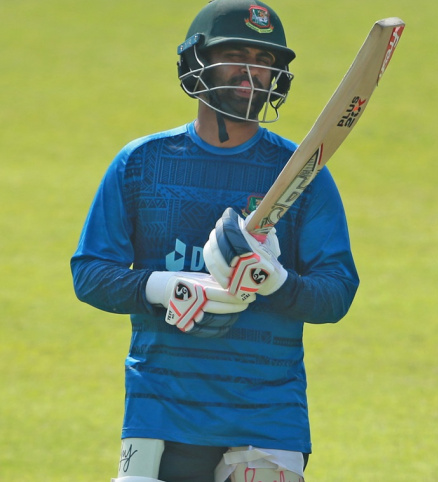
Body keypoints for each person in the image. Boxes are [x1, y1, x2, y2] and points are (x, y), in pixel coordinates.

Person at [71, 1, 359, 481]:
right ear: (195, 62)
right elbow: (89, 273)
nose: (252, 72)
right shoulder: (141, 163)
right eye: (236, 54)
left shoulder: (302, 175)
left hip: (268, 419)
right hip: (160, 410)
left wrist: (276, 283)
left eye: (265, 61)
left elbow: (338, 292)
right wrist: (165, 288)